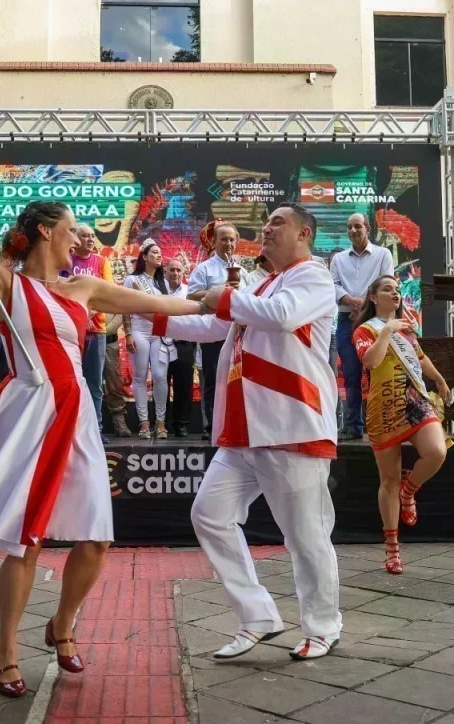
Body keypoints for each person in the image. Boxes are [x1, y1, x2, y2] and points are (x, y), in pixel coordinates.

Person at [0, 131, 200, 698]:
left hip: (78, 422)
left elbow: (165, 303)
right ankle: (6, 650)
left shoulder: (86, 287)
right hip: (32, 418)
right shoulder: (8, 285)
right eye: (72, 228)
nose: (80, 237)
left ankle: (63, 626)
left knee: (95, 540)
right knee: (27, 542)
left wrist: (231, 306)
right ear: (46, 230)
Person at [150, 204, 343, 662]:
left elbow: (279, 315)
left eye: (279, 222)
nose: (268, 229)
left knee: (305, 535)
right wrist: (149, 313)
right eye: (268, 223)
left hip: (292, 425)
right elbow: (214, 324)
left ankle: (323, 625)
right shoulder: (263, 284)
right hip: (244, 430)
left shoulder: (313, 277)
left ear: (305, 233)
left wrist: (222, 296)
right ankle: (257, 615)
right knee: (210, 515)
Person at [353, 276, 450, 574]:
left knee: (436, 451)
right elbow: (371, 361)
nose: (394, 294)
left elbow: (419, 359)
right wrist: (387, 331)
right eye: (387, 290)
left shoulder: (406, 330)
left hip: (414, 399)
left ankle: (410, 491)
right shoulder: (365, 330)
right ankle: (392, 549)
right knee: (388, 480)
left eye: (396, 290)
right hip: (382, 406)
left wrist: (439, 378)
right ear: (373, 297)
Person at [330, 213, 395, 440]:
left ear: (367, 228)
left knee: (379, 371)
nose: (353, 231)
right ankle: (353, 427)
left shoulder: (383, 254)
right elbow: (333, 286)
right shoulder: (338, 259)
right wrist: (350, 301)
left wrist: (365, 305)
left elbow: (387, 283)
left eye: (357, 226)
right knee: (350, 374)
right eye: (349, 227)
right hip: (347, 321)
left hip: (374, 322)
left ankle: (384, 423)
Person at [187, 221, 239, 440]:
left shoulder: (241, 269)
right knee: (212, 379)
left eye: (231, 239)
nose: (228, 243)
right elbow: (191, 295)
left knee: (234, 379)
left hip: (236, 332)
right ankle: (211, 426)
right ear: (215, 242)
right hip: (212, 331)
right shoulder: (204, 268)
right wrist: (218, 293)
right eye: (224, 239)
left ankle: (232, 424)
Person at [122, 239, 172, 439]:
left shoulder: (164, 282)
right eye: (155, 252)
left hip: (159, 333)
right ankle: (144, 423)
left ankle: (160, 423)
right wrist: (127, 334)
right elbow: (125, 308)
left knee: (160, 376)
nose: (159, 256)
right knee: (140, 377)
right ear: (144, 256)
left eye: (161, 253)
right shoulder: (132, 280)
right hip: (139, 331)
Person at [69, 224, 114, 442]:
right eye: (85, 235)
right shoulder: (66, 262)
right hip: (70, 332)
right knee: (72, 383)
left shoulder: (101, 262)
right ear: (75, 239)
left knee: (95, 383)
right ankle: (72, 430)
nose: (90, 239)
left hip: (96, 331)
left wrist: (88, 312)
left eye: (92, 235)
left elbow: (107, 293)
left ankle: (95, 430)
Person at [163, 258, 194, 437]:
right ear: (165, 272)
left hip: (184, 343)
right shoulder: (158, 291)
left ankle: (181, 424)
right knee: (162, 384)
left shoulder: (189, 292)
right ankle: (162, 424)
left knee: (184, 385)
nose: (175, 273)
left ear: (183, 273)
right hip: (162, 343)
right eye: (172, 270)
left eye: (178, 271)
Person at [103, 312, 132, 437]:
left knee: (114, 382)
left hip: (109, 341)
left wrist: (103, 330)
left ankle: (119, 421)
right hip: (88, 340)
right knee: (88, 383)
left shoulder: (112, 291)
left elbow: (121, 312)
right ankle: (89, 424)